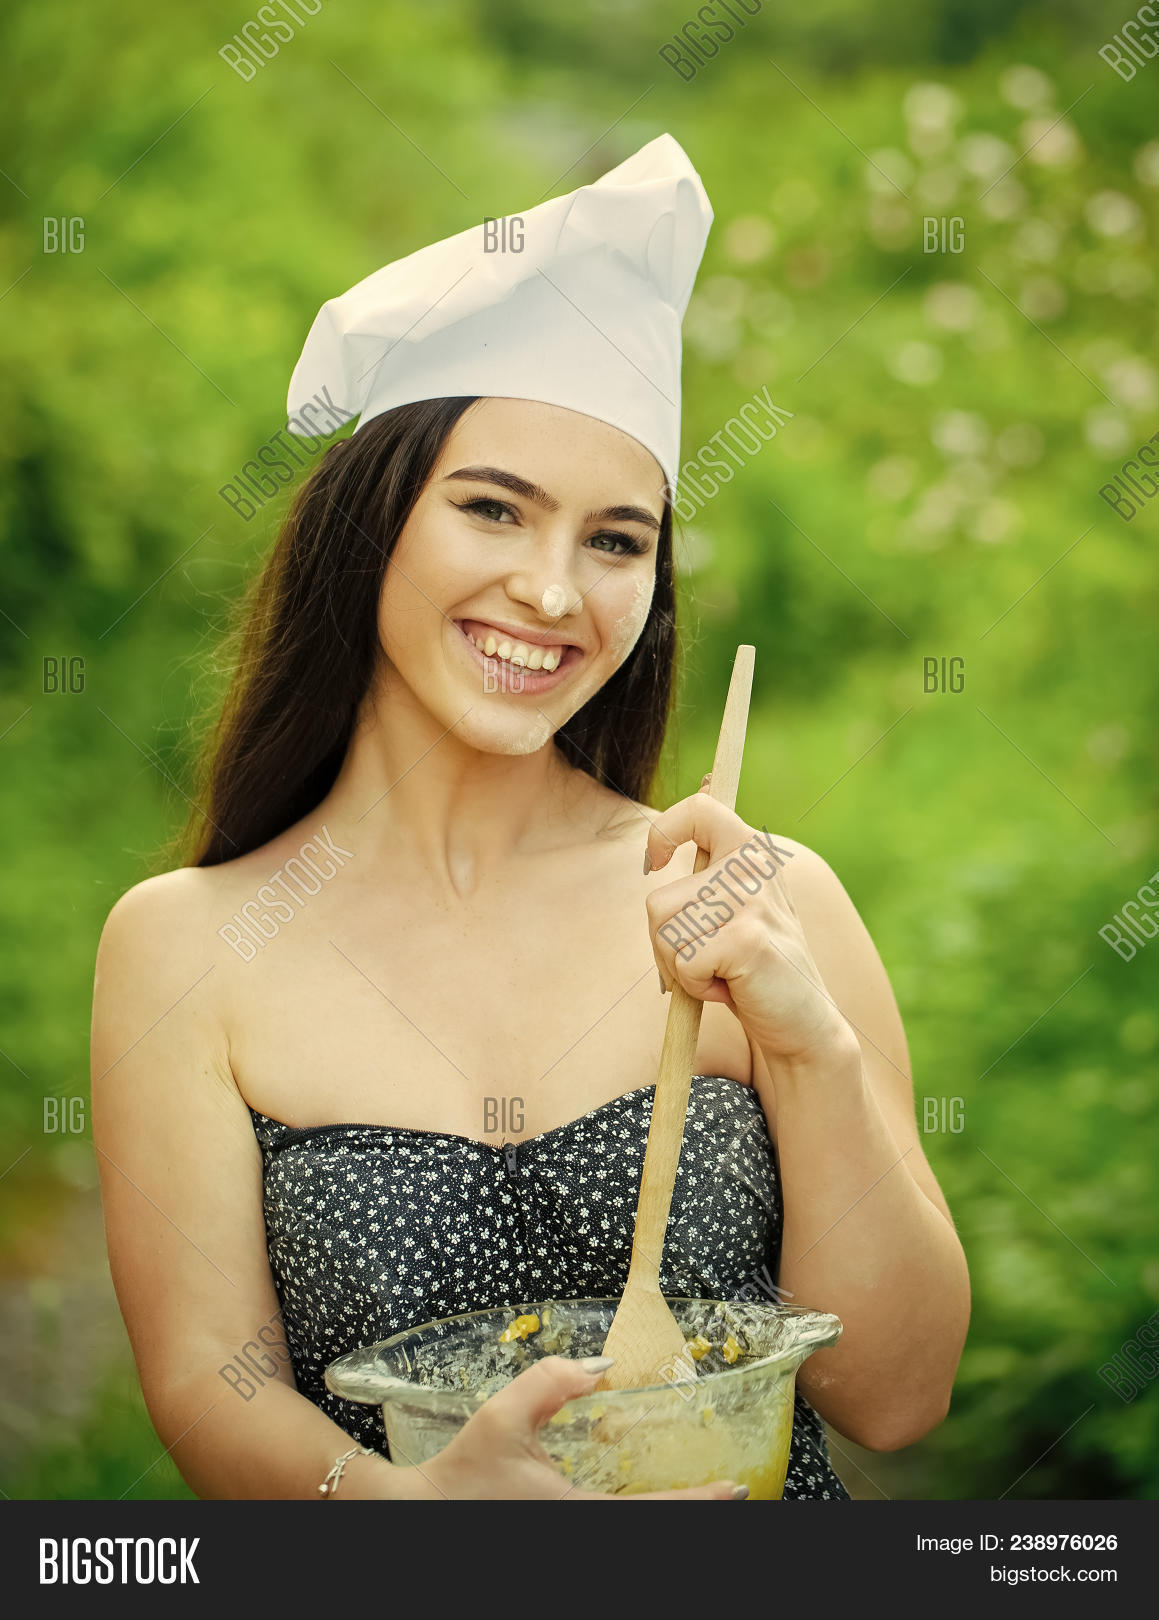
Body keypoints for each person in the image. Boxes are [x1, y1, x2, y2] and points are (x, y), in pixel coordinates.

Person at [91, 135, 969, 1501]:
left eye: (616, 540)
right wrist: (410, 1514)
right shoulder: (184, 947)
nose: (555, 593)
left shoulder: (757, 903)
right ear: (370, 522)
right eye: (495, 510)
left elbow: (899, 1397)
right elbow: (212, 1383)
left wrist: (809, 1052)